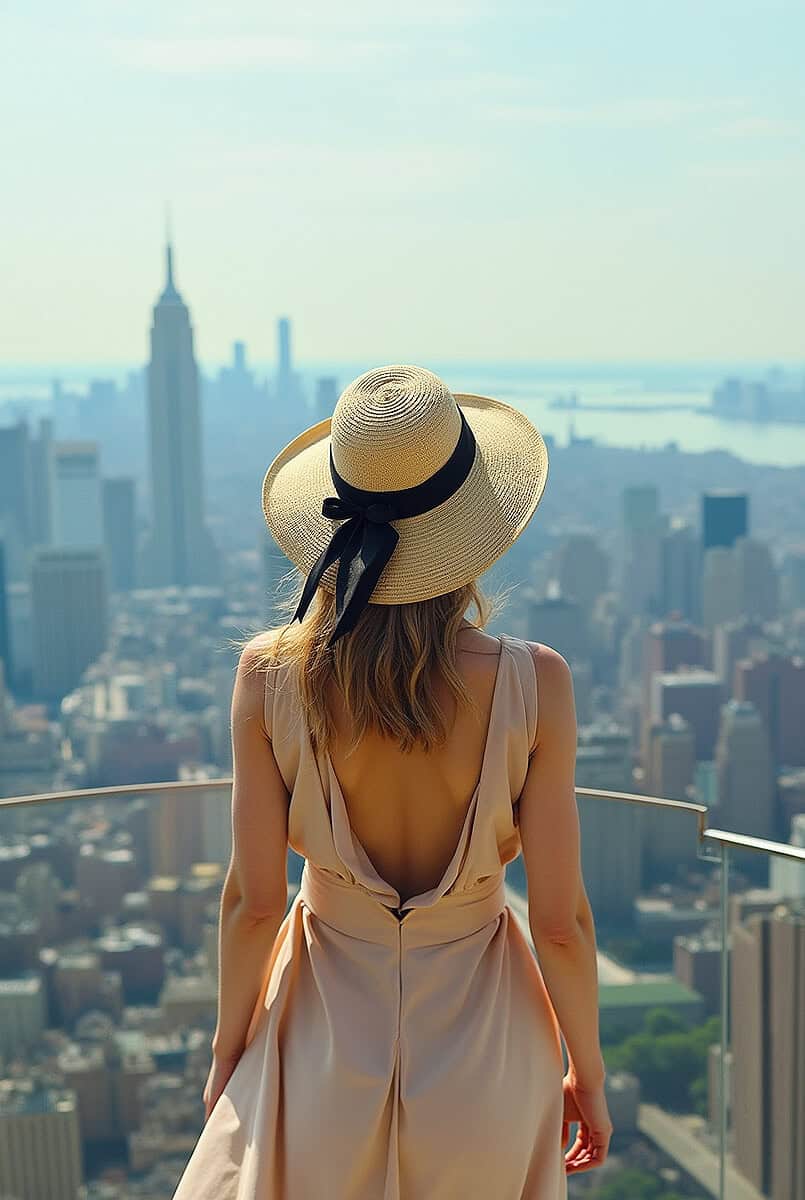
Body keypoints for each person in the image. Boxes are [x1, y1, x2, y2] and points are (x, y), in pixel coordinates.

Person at [172, 365, 612, 1199]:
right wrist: (585, 1075)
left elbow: (253, 903)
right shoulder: (534, 682)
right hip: (490, 1049)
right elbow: (561, 925)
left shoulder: (269, 676)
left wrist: (230, 1052)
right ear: (470, 530)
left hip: (319, 1037)